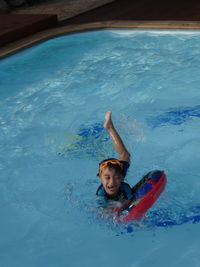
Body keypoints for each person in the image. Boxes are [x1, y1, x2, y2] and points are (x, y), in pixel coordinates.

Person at [96, 111, 134, 207]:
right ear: (100, 178)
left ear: (121, 177)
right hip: (117, 170)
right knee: (125, 155)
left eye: (116, 177)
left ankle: (110, 127)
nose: (112, 182)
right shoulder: (100, 193)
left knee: (124, 156)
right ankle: (109, 127)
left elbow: (131, 202)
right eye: (107, 178)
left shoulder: (124, 188)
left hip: (119, 170)